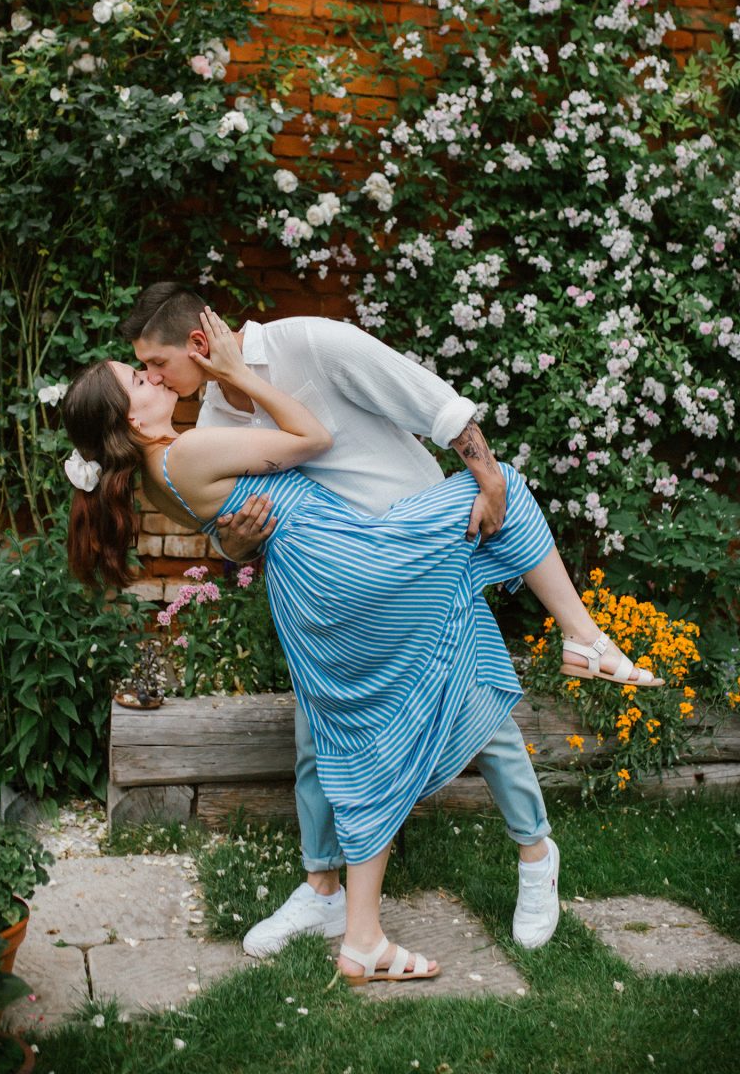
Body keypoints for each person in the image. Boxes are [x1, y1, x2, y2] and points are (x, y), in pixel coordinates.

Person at [63, 308, 663, 984]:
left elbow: (429, 407)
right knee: (337, 732)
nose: (151, 376)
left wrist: (234, 525)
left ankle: (521, 859)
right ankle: (583, 639)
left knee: (428, 717)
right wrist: (234, 532)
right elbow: (287, 464)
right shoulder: (197, 436)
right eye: (139, 376)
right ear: (131, 418)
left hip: (381, 544)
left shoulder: (307, 347)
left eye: (152, 364)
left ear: (198, 344)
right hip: (354, 565)